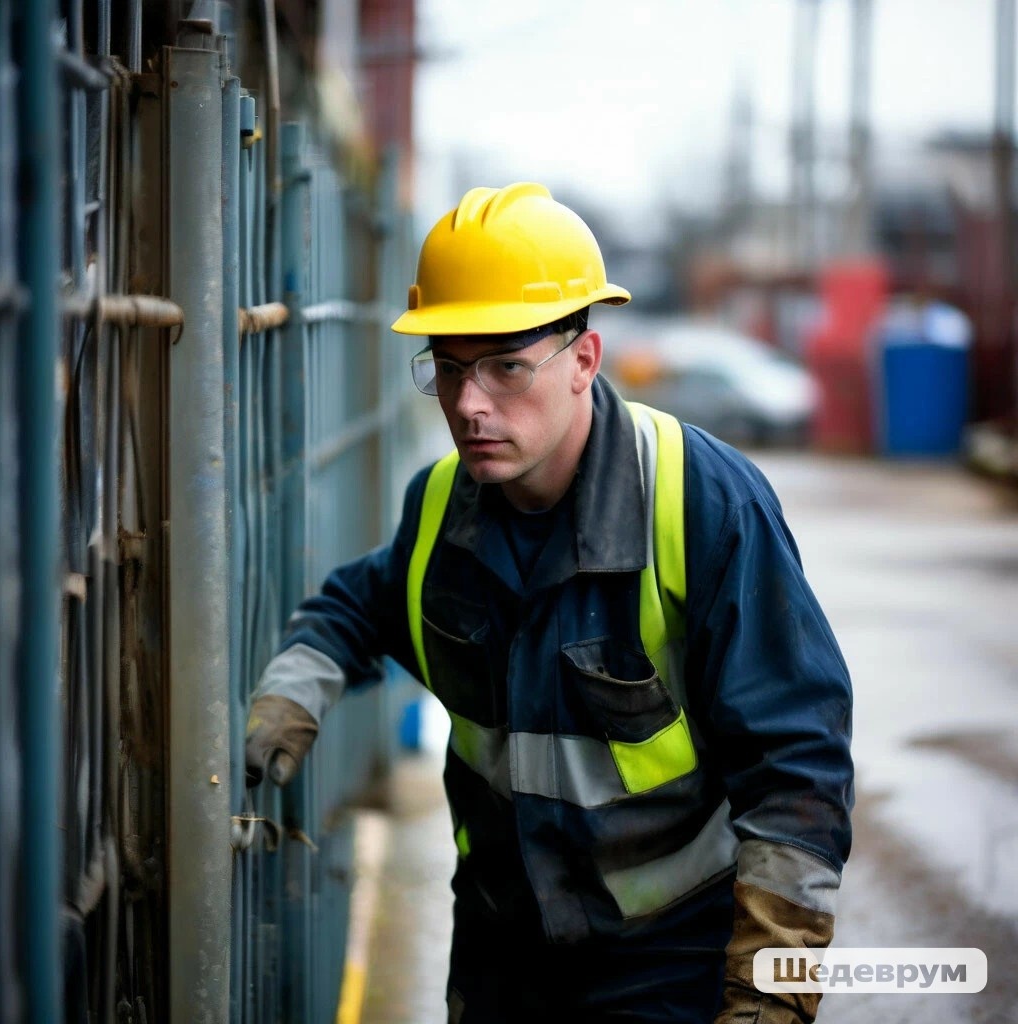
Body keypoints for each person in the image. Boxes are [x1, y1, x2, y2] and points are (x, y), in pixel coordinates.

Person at [245, 182, 853, 1023]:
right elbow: (359, 604)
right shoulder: (440, 510)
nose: (469, 404)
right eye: (450, 368)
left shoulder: (701, 503)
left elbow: (798, 766)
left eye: (505, 365)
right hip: (501, 950)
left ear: (585, 359)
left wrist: (769, 992)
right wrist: (289, 695)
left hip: (670, 956)